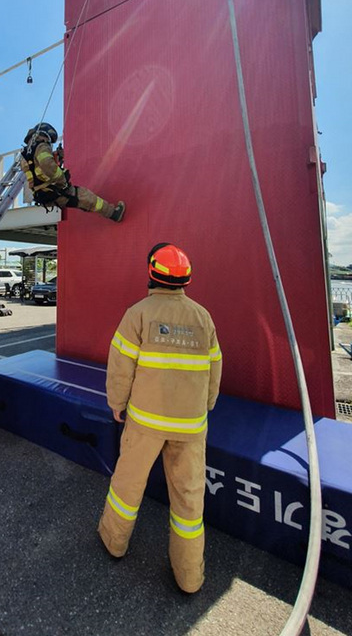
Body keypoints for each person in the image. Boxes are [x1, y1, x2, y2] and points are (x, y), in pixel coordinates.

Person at [98, 243, 223, 593]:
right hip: (191, 426)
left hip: (146, 422)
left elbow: (120, 367)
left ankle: (114, 542)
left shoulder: (137, 313)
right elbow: (215, 368)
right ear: (186, 279)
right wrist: (207, 405)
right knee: (188, 501)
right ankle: (189, 577)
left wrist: (117, 402)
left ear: (152, 273)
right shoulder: (203, 317)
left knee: (127, 486)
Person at [20, 123, 125, 223]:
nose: (49, 143)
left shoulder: (27, 153)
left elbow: (38, 168)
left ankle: (86, 206)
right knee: (86, 196)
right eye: (49, 140)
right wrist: (62, 179)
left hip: (43, 194)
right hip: (53, 190)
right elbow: (47, 165)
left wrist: (57, 155)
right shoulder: (42, 146)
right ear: (45, 134)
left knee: (80, 200)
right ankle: (114, 213)